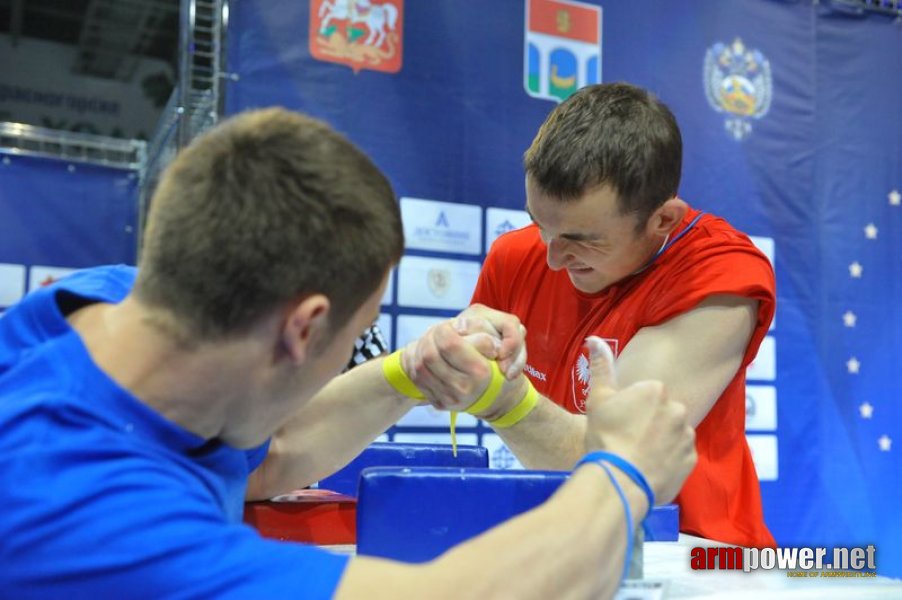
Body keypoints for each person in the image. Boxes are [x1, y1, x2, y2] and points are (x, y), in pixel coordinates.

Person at [0, 108, 695, 599]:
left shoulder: (108, 306)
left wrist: (409, 371)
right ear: (303, 330)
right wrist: (621, 474)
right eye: (352, 342)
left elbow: (263, 457)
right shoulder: (90, 518)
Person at [411, 82, 776, 548]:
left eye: (584, 240)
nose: (552, 259)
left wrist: (504, 401)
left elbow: (613, 460)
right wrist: (449, 358)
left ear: (663, 220)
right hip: (572, 542)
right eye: (540, 224)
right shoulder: (515, 254)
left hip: (702, 555)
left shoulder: (720, 271)